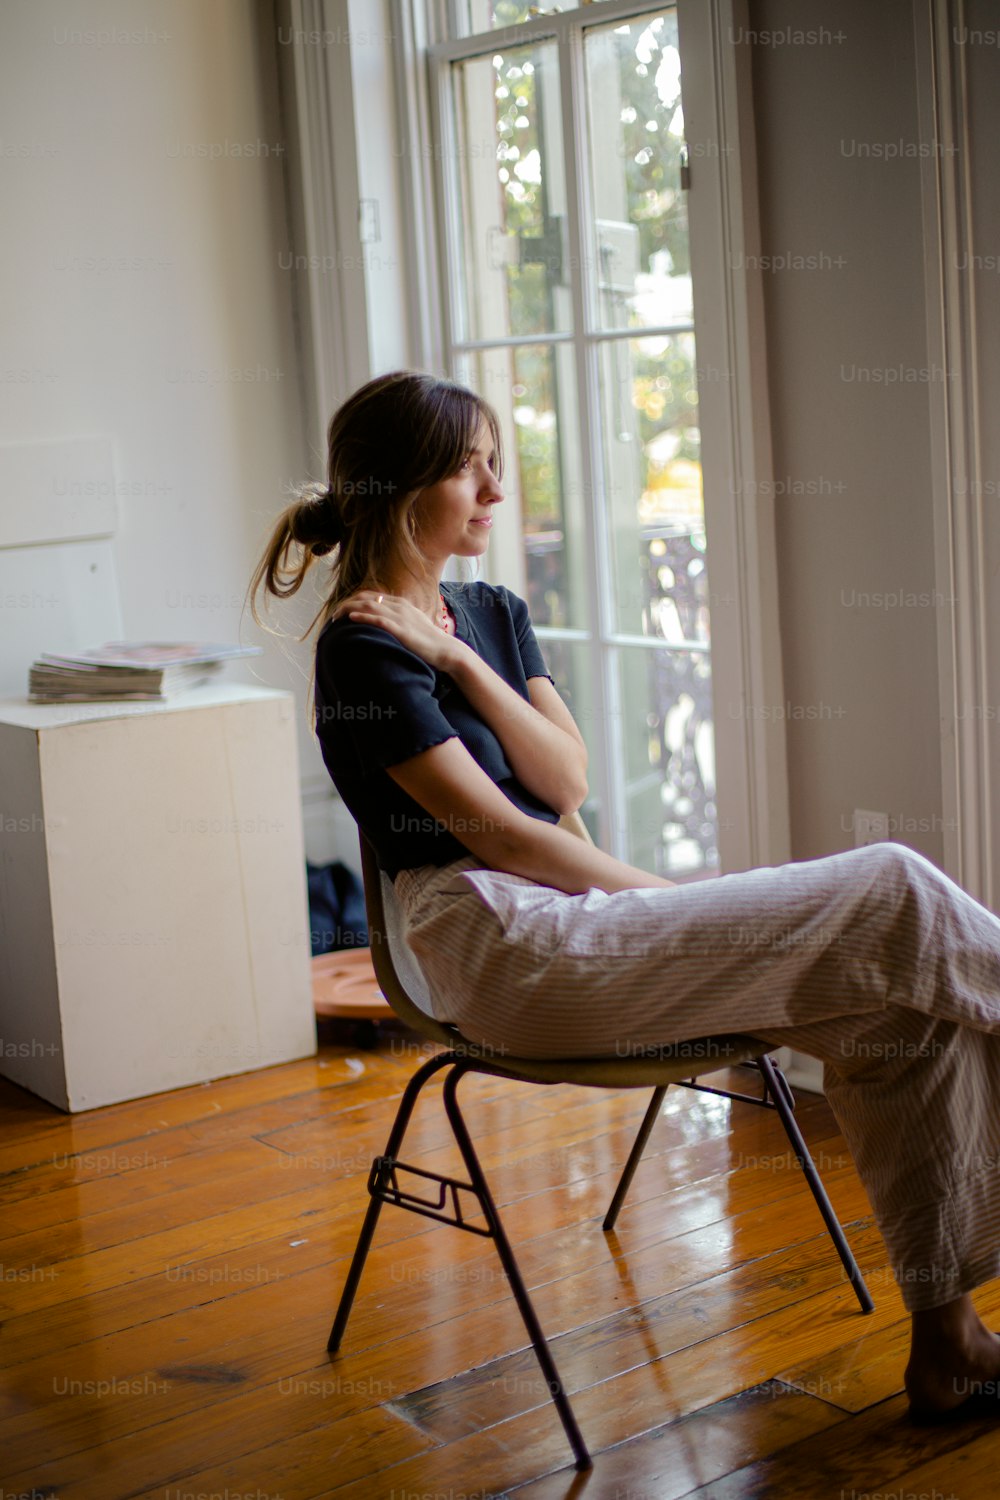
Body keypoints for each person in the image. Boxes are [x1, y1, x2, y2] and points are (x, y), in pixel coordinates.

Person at [250, 368, 1000, 1423]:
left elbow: (564, 784)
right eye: (473, 470)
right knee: (890, 888)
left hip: (563, 915)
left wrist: (463, 666)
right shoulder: (361, 647)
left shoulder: (488, 615)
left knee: (895, 1013)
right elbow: (501, 835)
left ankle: (951, 1345)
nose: (496, 495)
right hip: (487, 939)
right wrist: (658, 898)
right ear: (400, 482)